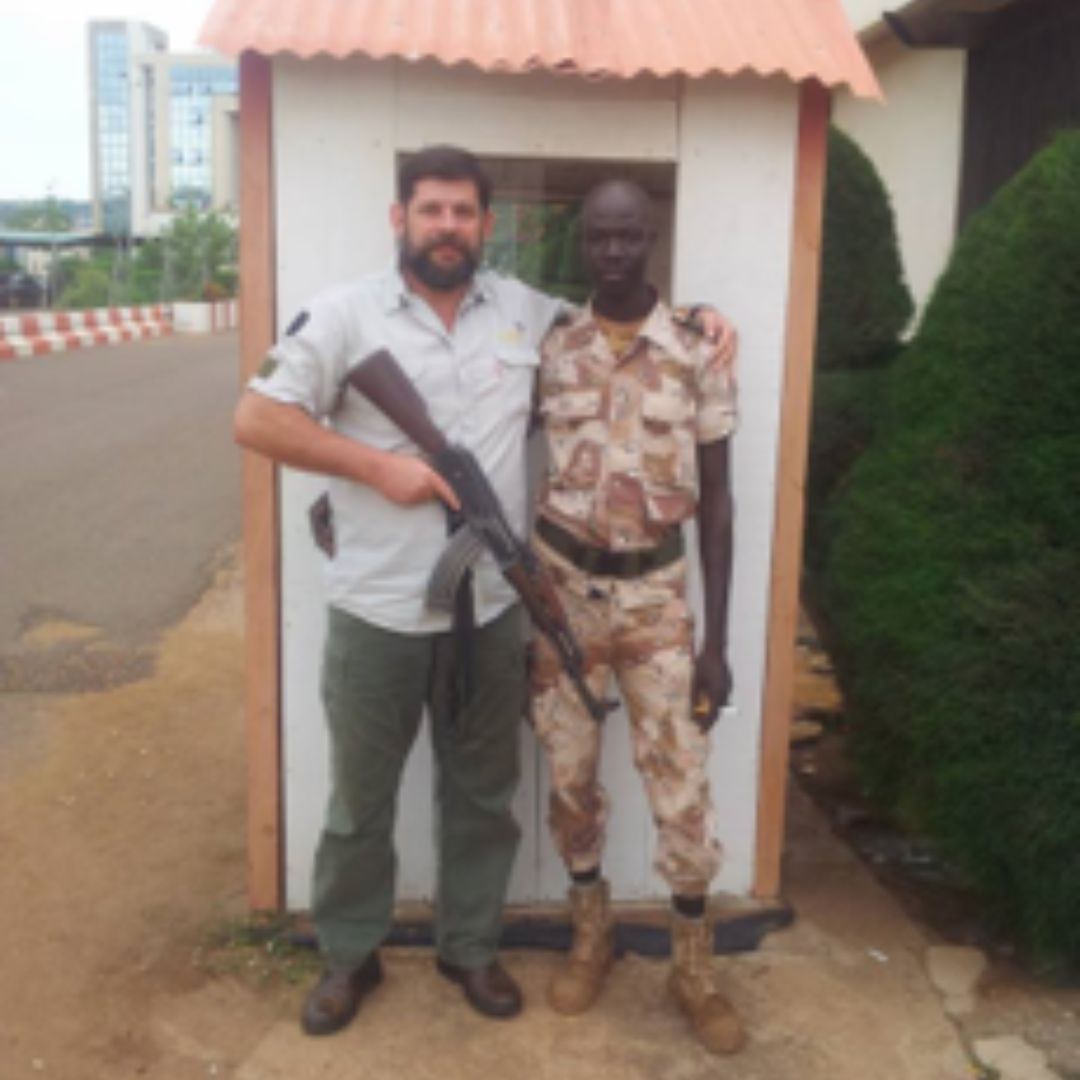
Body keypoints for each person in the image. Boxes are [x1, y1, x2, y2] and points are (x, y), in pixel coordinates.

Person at [234, 146, 730, 1036]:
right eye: (431, 210)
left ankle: (469, 947)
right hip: (377, 608)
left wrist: (701, 315)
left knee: (481, 796)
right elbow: (258, 418)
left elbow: (619, 320)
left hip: (494, 610)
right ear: (400, 218)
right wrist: (374, 468)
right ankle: (348, 954)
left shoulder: (527, 314)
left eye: (463, 212)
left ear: (486, 225)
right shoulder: (345, 314)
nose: (447, 227)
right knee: (359, 801)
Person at [529, 179, 743, 1055]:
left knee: (682, 790)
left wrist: (718, 641)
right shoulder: (552, 346)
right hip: (564, 603)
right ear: (584, 241)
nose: (613, 252)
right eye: (599, 237)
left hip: (658, 605)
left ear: (651, 238)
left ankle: (693, 967)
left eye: (628, 236)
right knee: (569, 778)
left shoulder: (697, 348)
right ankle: (593, 933)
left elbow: (719, 501)